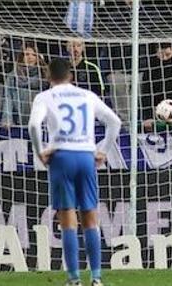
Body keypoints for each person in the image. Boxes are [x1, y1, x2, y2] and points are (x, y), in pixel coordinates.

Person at [28, 58, 121, 286]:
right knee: (90, 217)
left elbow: (33, 126)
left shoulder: (44, 97)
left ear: (48, 76)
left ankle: (74, 279)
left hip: (61, 157)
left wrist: (41, 151)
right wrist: (103, 151)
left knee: (67, 220)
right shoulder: (87, 95)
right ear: (71, 76)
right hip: (86, 156)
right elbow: (115, 122)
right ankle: (97, 278)